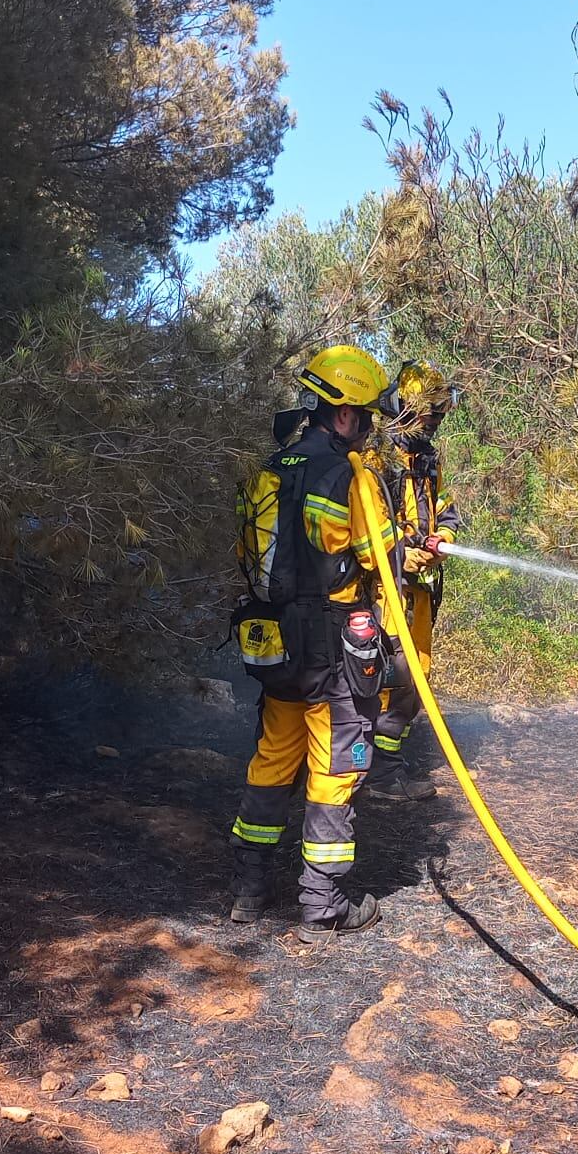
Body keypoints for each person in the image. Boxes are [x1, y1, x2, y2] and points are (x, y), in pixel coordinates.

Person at [228, 345, 400, 939]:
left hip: (277, 645)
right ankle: (322, 905)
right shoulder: (351, 476)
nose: (370, 428)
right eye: (369, 416)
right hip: (333, 651)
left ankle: (249, 891)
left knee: (275, 756)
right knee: (335, 767)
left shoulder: (270, 469)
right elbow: (379, 559)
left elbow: (250, 557)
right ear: (346, 414)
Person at [366, 360, 461, 802]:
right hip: (385, 589)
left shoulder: (427, 456)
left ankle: (384, 773)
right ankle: (373, 778)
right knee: (390, 678)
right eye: (431, 410)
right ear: (406, 406)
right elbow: (367, 527)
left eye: (441, 411)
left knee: (415, 677)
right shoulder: (377, 456)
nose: (437, 419)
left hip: (418, 589)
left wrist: (442, 535)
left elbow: (444, 506)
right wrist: (403, 556)